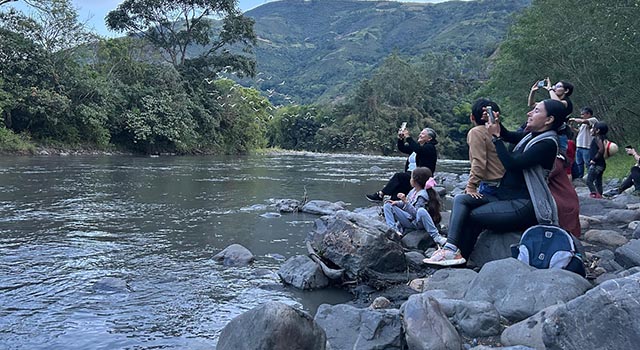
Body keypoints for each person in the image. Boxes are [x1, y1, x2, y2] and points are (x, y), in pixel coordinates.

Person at [424, 99, 568, 266]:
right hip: (505, 196)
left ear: (549, 120)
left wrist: (495, 138)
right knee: (461, 199)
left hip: (524, 204)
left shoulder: (547, 143)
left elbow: (513, 164)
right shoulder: (531, 136)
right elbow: (509, 135)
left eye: (536, 111)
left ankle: (459, 256)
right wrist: (496, 122)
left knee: (473, 216)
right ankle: (451, 249)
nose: (529, 113)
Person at [366, 126, 438, 201]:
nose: (420, 135)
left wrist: (408, 137)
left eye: (423, 134)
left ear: (429, 138)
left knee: (398, 176)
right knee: (399, 189)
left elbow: (419, 150)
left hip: (422, 176)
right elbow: (402, 148)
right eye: (420, 133)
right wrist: (401, 139)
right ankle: (393, 204)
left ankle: (381, 194)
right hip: (411, 174)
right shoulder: (418, 147)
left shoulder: (430, 147)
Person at [382, 167, 447, 246]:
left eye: (411, 177)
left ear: (416, 181)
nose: (410, 179)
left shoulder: (422, 195)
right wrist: (397, 203)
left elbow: (416, 213)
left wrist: (405, 202)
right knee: (388, 205)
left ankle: (436, 236)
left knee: (421, 211)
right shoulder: (413, 191)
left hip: (418, 222)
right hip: (410, 218)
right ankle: (394, 230)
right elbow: (408, 203)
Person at [465, 98, 506, 198]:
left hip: (491, 185)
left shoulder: (476, 132)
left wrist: (471, 186)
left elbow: (479, 161)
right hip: (504, 182)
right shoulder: (498, 131)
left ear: (472, 117)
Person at [569, 107, 598, 179]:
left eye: (583, 114)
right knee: (579, 164)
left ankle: (591, 178)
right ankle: (580, 178)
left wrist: (574, 119)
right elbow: (579, 131)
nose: (582, 116)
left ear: (588, 114)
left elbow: (583, 121)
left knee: (588, 163)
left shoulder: (593, 120)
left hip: (587, 146)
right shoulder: (583, 124)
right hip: (579, 146)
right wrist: (571, 128)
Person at [586, 121, 608, 198]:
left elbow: (601, 149)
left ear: (597, 130)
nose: (591, 130)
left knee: (589, 181)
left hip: (596, 164)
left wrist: (594, 160)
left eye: (593, 128)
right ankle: (600, 195)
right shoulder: (603, 138)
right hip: (602, 164)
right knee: (598, 182)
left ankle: (595, 195)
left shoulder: (597, 138)